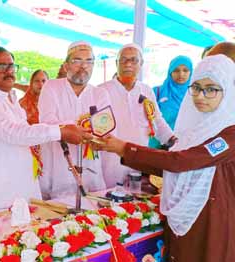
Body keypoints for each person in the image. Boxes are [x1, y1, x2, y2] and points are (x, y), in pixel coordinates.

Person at [97, 54, 235, 262]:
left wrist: (126, 148)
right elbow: (172, 166)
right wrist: (119, 150)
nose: (200, 96)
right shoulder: (193, 131)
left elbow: (184, 161)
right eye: (196, 87)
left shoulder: (230, 133)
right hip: (184, 216)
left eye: (211, 89)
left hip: (213, 222)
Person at [0, 46, 93, 217]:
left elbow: (24, 133)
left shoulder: (10, 98)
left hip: (16, 185)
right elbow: (14, 133)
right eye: (2, 66)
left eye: (12, 66)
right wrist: (61, 131)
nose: (9, 71)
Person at [38, 41, 109, 199]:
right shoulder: (51, 87)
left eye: (89, 61)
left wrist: (69, 128)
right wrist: (80, 129)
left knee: (91, 211)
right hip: (57, 163)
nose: (83, 66)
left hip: (90, 165)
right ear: (66, 66)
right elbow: (47, 121)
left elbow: (104, 128)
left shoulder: (100, 93)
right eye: (77, 61)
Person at [98, 43, 174, 188]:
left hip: (139, 161)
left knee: (136, 202)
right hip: (110, 162)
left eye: (134, 60)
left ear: (141, 64)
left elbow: (157, 120)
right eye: (123, 60)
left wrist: (172, 140)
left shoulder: (146, 91)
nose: (128, 64)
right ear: (116, 63)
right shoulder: (102, 91)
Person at [149, 56, 193, 148]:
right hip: (157, 146)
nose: (181, 74)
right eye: (176, 70)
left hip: (185, 146)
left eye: (185, 70)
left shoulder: (196, 94)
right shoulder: (156, 92)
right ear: (170, 72)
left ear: (191, 72)